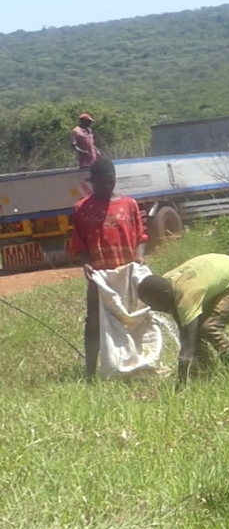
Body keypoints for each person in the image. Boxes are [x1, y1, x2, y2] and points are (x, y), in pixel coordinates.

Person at [70, 159, 147, 379]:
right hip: (100, 278)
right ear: (92, 181)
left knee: (131, 319)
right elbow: (79, 244)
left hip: (126, 275)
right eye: (102, 182)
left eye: (111, 181)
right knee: (94, 322)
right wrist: (86, 262)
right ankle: (91, 372)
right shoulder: (81, 209)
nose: (107, 186)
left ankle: (135, 365)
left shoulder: (129, 204)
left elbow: (141, 236)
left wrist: (139, 256)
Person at [138, 253, 229, 380]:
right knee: (193, 332)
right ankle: (207, 374)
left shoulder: (186, 296)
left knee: (208, 327)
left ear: (166, 296)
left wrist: (181, 382)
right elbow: (185, 332)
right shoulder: (166, 284)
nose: (158, 310)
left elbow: (187, 349)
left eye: (159, 306)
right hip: (219, 272)